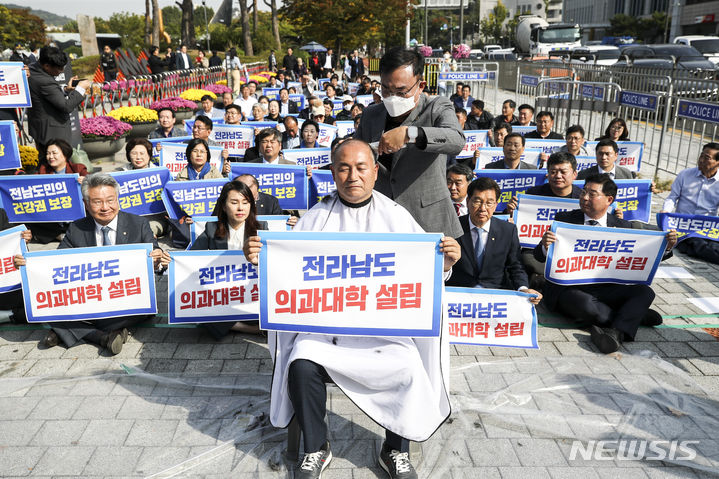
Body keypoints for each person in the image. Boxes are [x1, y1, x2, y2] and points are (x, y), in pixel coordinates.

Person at [243, 139, 459, 479]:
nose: (352, 176)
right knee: (300, 364)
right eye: (343, 168)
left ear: (375, 172)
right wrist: (262, 260)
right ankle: (316, 447)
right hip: (326, 332)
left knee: (409, 366)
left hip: (382, 332)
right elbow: (286, 274)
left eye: (361, 168)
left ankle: (395, 450)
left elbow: (425, 275)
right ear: (332, 173)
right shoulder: (314, 218)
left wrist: (444, 264)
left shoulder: (397, 217)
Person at [15, 173, 164, 355]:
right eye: (97, 202)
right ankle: (104, 336)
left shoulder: (138, 224)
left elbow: (156, 259)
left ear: (118, 199)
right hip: (92, 299)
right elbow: (56, 264)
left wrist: (157, 259)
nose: (105, 207)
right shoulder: (77, 228)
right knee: (47, 307)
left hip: (126, 301)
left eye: (110, 200)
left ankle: (66, 331)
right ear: (86, 204)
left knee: (67, 317)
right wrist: (29, 263)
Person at [535, 174, 677, 353]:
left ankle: (615, 333)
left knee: (645, 292)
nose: (585, 197)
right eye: (583, 192)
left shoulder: (623, 225)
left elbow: (645, 255)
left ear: (609, 199)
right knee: (589, 308)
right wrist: (544, 245)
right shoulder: (564, 219)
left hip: (607, 287)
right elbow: (539, 257)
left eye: (592, 194)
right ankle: (632, 316)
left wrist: (667, 247)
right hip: (571, 288)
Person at [354, 47, 465, 238]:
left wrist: (410, 134)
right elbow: (356, 156)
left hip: (428, 221)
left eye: (401, 91)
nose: (392, 97)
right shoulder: (371, 115)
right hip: (380, 220)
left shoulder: (436, 107)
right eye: (386, 89)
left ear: (420, 86)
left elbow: (456, 140)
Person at [164, 181, 267, 338]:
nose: (240, 208)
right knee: (195, 306)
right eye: (234, 202)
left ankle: (232, 324)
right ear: (224, 206)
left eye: (245, 203)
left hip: (249, 293)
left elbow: (271, 265)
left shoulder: (262, 229)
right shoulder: (212, 229)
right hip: (222, 295)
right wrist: (170, 262)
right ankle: (247, 328)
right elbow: (191, 258)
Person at [445, 177, 542, 303]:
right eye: (477, 201)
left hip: (495, 296)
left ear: (496, 205)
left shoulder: (508, 230)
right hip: (459, 295)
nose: (483, 208)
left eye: (489, 203)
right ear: (468, 201)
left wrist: (523, 288)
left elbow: (516, 266)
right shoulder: (452, 227)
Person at [27, 46, 90, 160]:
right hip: (52, 133)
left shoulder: (32, 69)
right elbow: (66, 106)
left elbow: (45, 95)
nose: (62, 71)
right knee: (57, 165)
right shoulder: (45, 81)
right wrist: (80, 89)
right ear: (46, 65)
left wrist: (65, 90)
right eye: (59, 68)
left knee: (46, 165)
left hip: (41, 129)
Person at [661, 143, 719, 264]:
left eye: (707, 158)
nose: (701, 160)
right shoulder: (685, 174)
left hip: (708, 228)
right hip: (683, 227)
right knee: (700, 245)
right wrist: (665, 212)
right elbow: (672, 197)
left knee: (712, 244)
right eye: (701, 156)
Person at [122, 138, 168, 237]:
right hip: (130, 221)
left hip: (155, 219)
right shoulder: (120, 174)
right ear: (128, 155)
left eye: (142, 153)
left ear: (149, 155)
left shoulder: (160, 173)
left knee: (147, 231)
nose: (138, 157)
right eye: (134, 153)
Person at [0, 207, 32, 323]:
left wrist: (23, 239)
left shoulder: (0, 213)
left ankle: (9, 315)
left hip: (6, 288)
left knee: (39, 304)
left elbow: (12, 242)